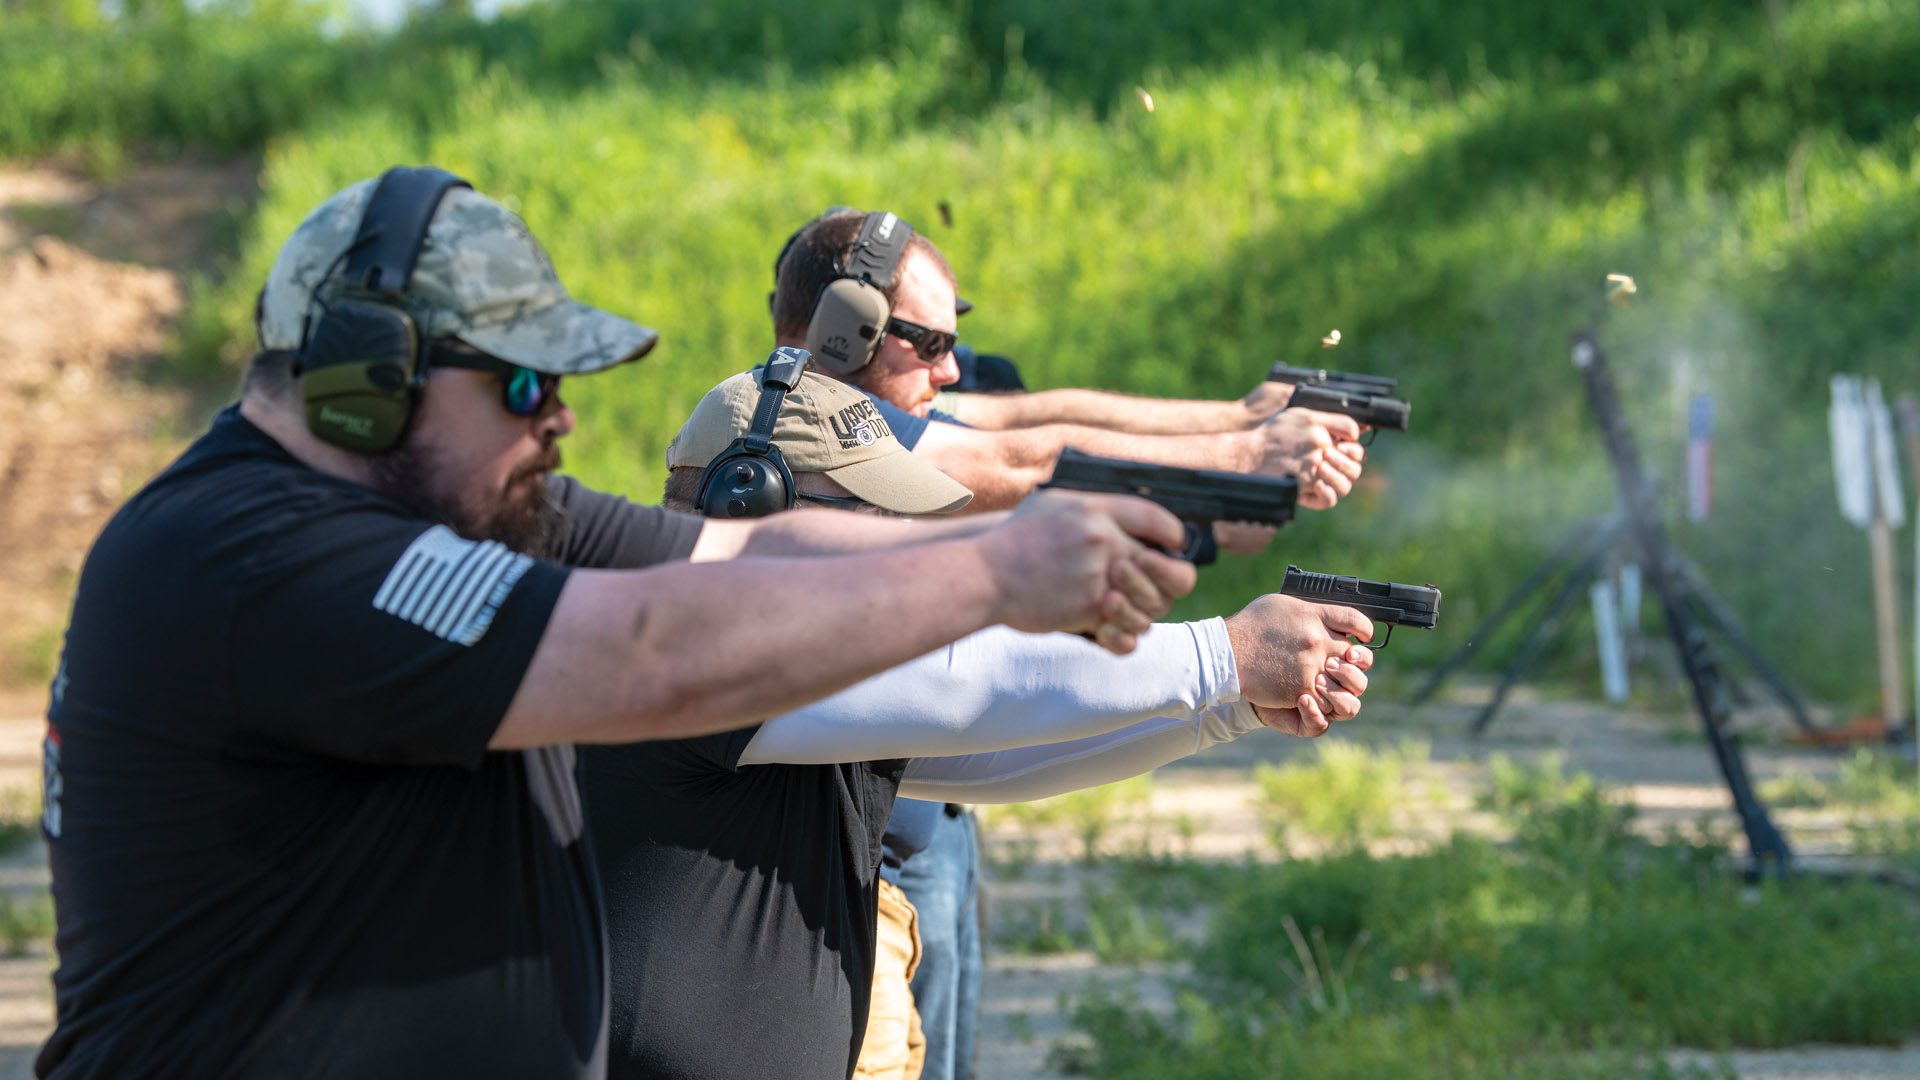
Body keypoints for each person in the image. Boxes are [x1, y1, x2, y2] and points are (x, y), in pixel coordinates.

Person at [35, 169, 1203, 1080]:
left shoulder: (466, 501)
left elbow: (752, 553)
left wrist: (1023, 553)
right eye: (526, 386)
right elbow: (653, 649)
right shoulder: (252, 554)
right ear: (368, 380)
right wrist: (1001, 573)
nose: (562, 418)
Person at [604, 365, 1375, 1080]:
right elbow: (969, 685)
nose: (892, 538)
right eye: (867, 511)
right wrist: (1223, 653)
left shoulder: (797, 679)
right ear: (755, 502)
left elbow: (996, 757)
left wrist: (1227, 708)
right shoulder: (696, 639)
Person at [769, 210, 1369, 513]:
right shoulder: (801, 418)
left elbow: (1039, 416)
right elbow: (1030, 458)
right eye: (930, 346)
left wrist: (1240, 417)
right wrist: (1252, 452)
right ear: (848, 333)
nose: (950, 371)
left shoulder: (820, 401)